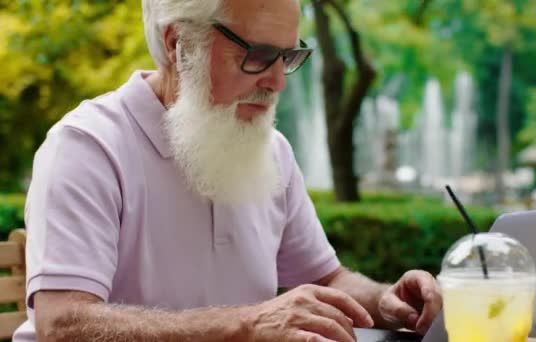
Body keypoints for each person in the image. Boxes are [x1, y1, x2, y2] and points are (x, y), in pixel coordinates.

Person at [13, 0, 442, 341]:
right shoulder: (89, 146)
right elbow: (63, 325)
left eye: (288, 56)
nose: (278, 82)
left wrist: (386, 300)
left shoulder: (268, 148)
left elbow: (327, 278)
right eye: (258, 55)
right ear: (178, 44)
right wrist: (246, 325)